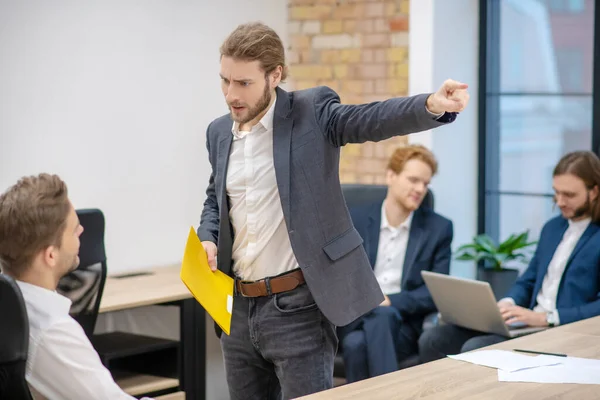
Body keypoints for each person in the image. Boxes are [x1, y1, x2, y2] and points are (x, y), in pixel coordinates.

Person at [197, 22, 469, 399]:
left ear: (275, 75)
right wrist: (208, 238)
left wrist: (431, 105)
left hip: (296, 310)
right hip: (237, 311)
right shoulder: (218, 132)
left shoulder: (312, 113)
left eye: (243, 83)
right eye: (225, 80)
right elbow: (215, 197)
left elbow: (372, 118)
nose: (230, 94)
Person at [419, 151, 600, 362]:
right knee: (433, 339)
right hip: (528, 323)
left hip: (560, 330)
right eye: (556, 193)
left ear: (594, 191)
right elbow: (529, 279)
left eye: (569, 195)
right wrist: (507, 303)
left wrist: (547, 318)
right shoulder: (552, 228)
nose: (560, 201)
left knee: (475, 347)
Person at [0, 174, 152, 400]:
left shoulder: (11, 308)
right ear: (51, 255)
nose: (81, 231)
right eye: (73, 230)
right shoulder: (52, 332)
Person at [337, 145, 453, 383]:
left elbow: (435, 293)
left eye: (426, 183)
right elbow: (339, 276)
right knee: (373, 322)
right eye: (413, 180)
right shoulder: (355, 219)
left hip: (401, 327)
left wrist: (391, 301)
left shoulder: (438, 229)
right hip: (356, 316)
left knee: (357, 343)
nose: (420, 189)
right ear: (391, 176)